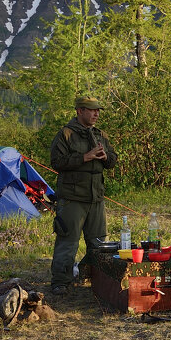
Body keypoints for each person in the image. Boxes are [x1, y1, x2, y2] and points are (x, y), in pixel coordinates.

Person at [49, 95, 116, 295]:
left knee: (99, 243)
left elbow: (113, 160)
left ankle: (95, 278)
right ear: (80, 111)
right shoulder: (66, 134)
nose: (96, 113)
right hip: (72, 197)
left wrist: (106, 158)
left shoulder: (100, 134)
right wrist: (84, 157)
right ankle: (61, 281)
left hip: (96, 197)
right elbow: (57, 162)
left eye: (98, 110)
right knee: (68, 241)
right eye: (91, 110)